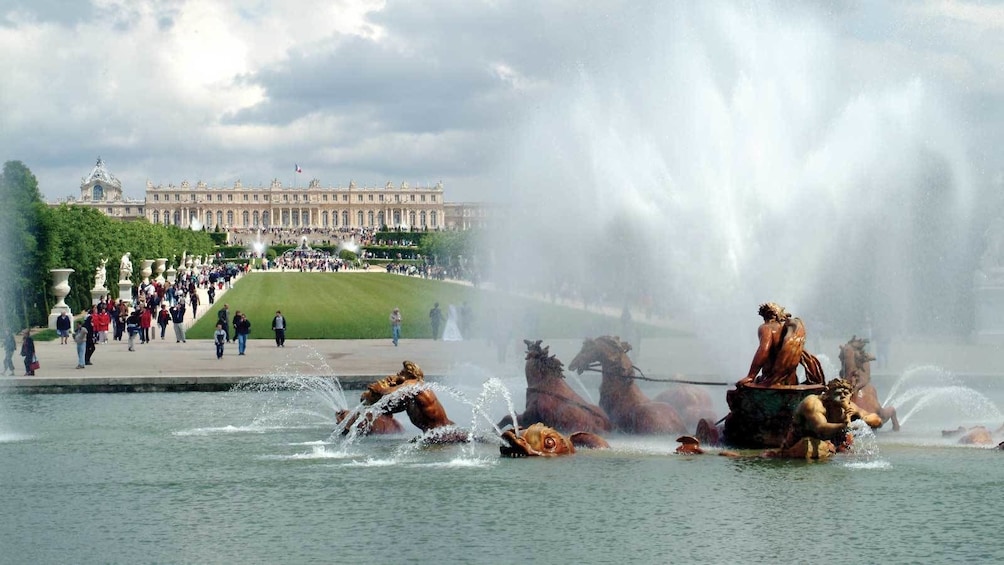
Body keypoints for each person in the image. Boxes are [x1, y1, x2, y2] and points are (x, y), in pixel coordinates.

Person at [737, 302, 824, 387]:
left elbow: (764, 349)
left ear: (770, 314)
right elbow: (803, 356)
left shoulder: (766, 327)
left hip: (771, 381)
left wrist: (751, 376)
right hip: (791, 381)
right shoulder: (788, 330)